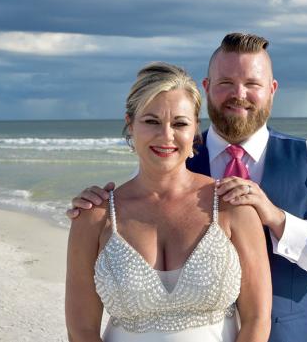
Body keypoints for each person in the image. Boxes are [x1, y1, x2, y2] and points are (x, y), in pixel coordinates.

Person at [68, 33, 307, 342]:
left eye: (252, 84)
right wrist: (93, 206)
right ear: (207, 88)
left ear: (272, 90)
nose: (239, 94)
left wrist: (277, 219)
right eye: (225, 83)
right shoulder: (167, 153)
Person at [65, 62, 272, 342]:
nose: (166, 136)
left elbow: (257, 320)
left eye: (180, 123)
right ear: (130, 124)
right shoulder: (94, 216)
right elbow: (81, 331)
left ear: (195, 129)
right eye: (151, 121)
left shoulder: (232, 206)